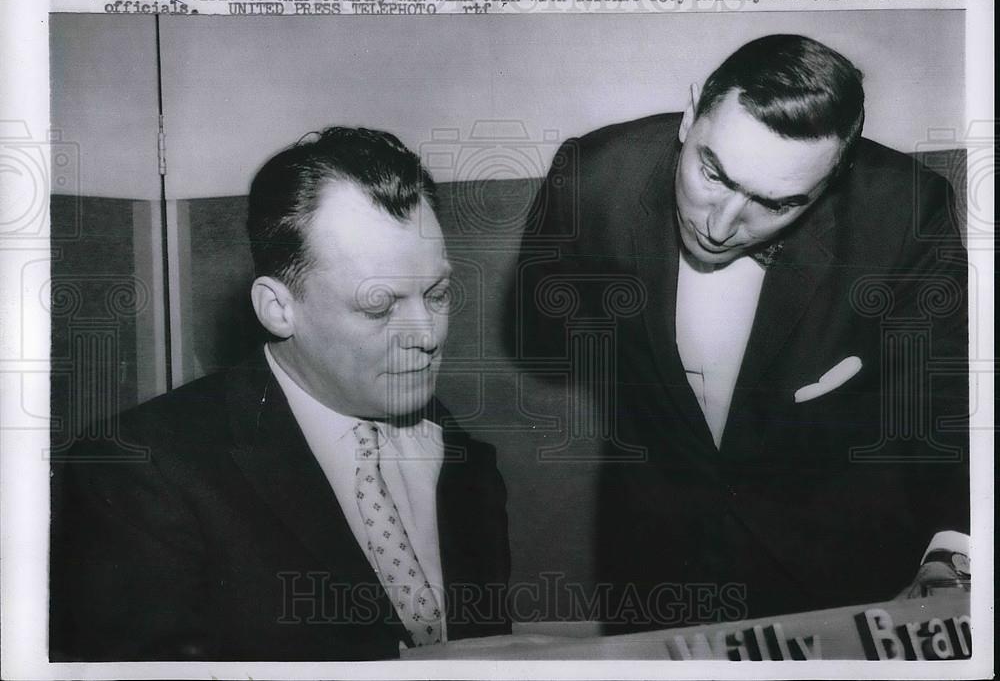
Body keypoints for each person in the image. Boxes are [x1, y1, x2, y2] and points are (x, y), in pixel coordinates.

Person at [516, 35, 969, 631]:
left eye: (776, 205)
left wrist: (953, 550)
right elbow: (542, 321)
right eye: (713, 173)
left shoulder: (906, 212)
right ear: (688, 116)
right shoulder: (591, 179)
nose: (720, 225)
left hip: (843, 569)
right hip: (658, 561)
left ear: (833, 180)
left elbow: (947, 401)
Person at [50, 127, 511, 660]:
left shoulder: (459, 454)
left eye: (437, 294)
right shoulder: (138, 467)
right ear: (278, 307)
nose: (427, 335)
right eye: (380, 305)